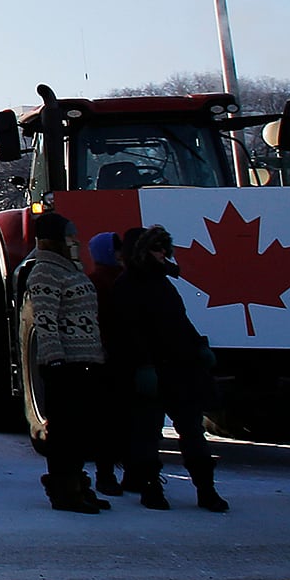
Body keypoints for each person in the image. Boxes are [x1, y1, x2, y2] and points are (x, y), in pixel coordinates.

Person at [115, 225, 228, 513]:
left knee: (190, 431)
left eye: (165, 248)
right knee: (148, 434)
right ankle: (151, 486)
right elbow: (129, 331)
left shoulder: (162, 283)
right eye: (157, 248)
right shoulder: (129, 285)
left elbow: (179, 321)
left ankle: (205, 488)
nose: (163, 254)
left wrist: (197, 344)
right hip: (153, 369)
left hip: (179, 367)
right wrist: (143, 366)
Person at [22, 211, 109, 514]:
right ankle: (64, 489)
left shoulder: (71, 269)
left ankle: (78, 483)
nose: (74, 240)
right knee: (65, 432)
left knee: (80, 430)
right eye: (68, 235)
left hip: (86, 359)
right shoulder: (45, 271)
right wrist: (54, 360)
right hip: (65, 363)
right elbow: (45, 320)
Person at [85, 228, 131, 497]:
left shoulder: (119, 280)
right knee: (110, 420)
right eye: (116, 250)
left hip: (118, 356)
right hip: (109, 358)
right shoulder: (101, 283)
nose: (120, 255)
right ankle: (107, 474)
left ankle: (121, 472)